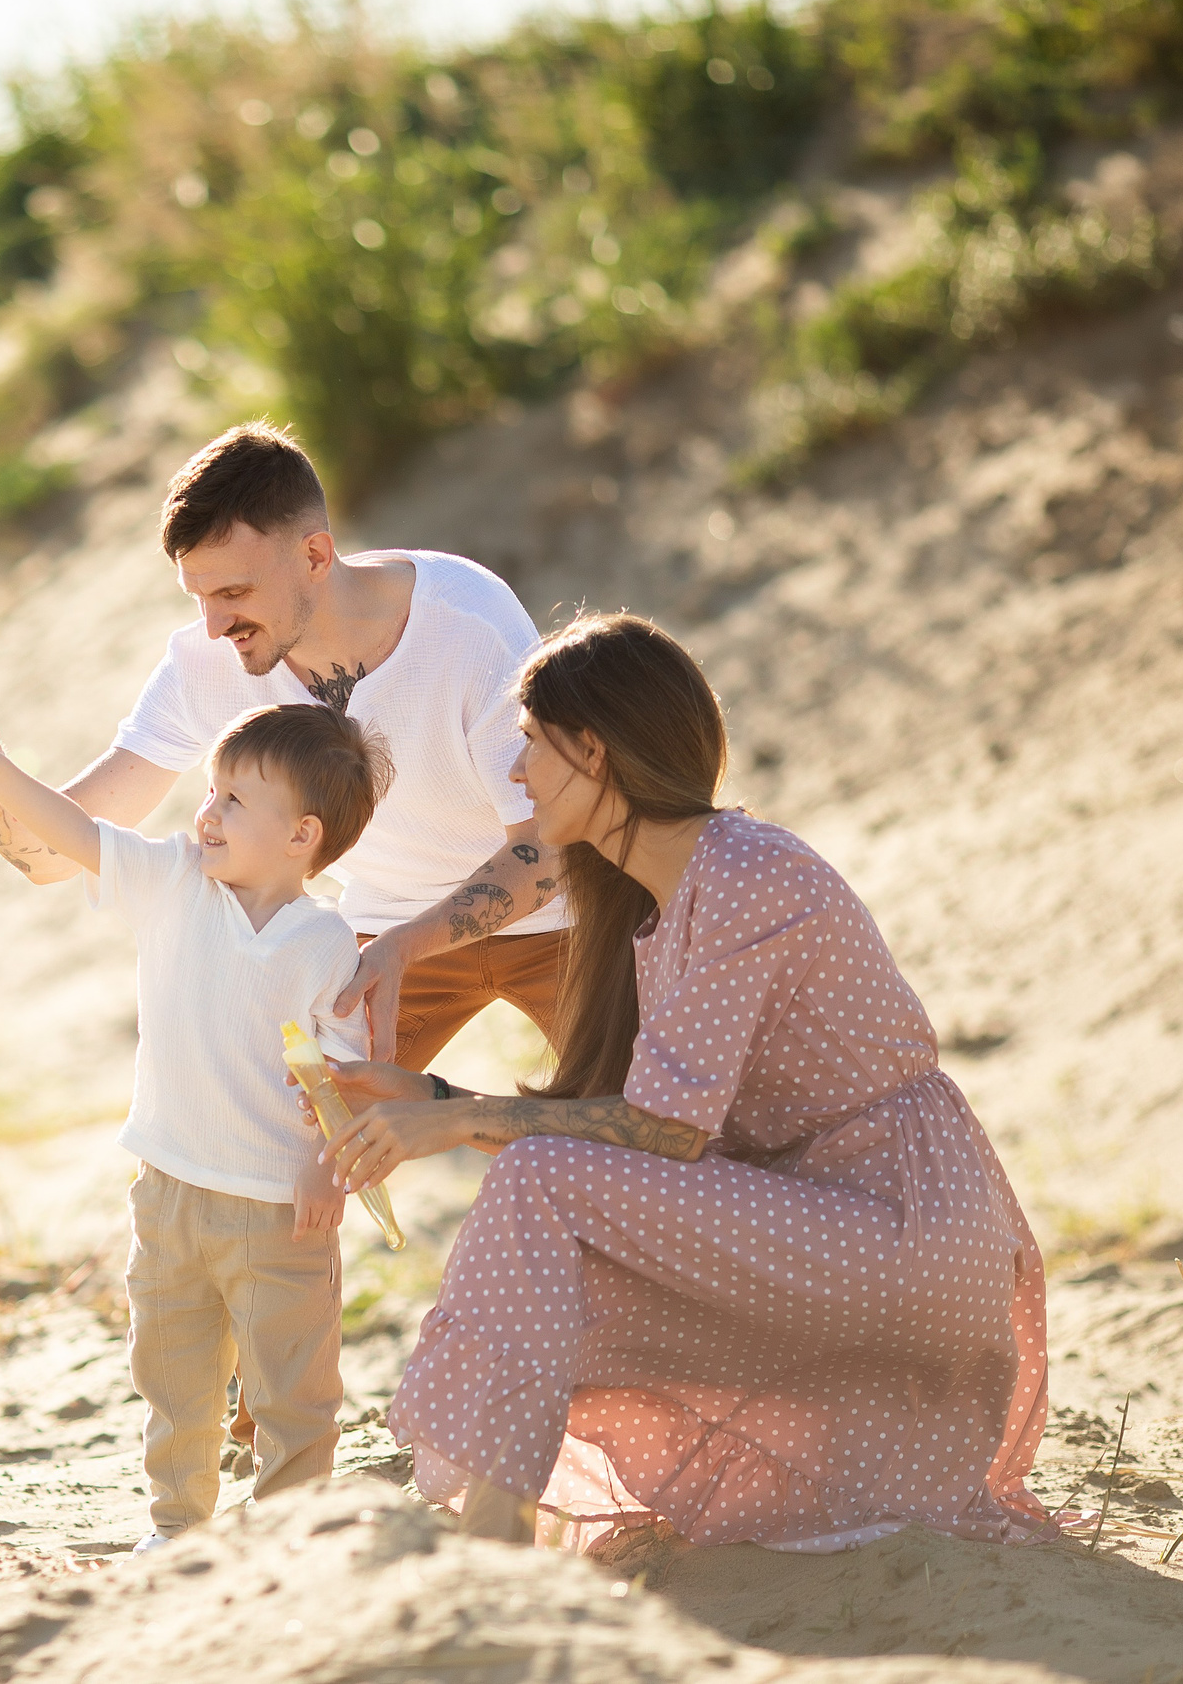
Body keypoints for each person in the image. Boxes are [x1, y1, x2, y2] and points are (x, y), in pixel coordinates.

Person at [310, 613, 1050, 1553]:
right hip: (818, 1216)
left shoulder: (748, 873)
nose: (515, 773)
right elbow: (629, 1130)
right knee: (548, 1228)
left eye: (531, 745)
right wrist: (429, 1098)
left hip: (899, 1227)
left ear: (595, 751)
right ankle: (493, 1527)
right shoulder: (661, 902)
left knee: (537, 1180)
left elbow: (663, 1131)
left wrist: (456, 1119)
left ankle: (491, 1540)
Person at [0, 422, 565, 1071]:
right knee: (295, 1149)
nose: (214, 625)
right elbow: (51, 857)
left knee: (648, 1138)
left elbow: (549, 847)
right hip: (384, 934)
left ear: (315, 555)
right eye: (198, 597)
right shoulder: (207, 662)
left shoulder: (467, 624)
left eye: (233, 593)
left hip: (560, 918)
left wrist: (403, 944)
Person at [0, 690, 389, 1549]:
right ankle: (177, 1527)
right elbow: (72, 831)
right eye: (211, 791)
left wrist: (330, 1165)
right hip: (167, 1190)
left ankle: (287, 1535)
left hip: (280, 1208)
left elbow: (342, 1076)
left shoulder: (326, 942)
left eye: (234, 801)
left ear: (302, 836)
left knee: (292, 1386)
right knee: (174, 1375)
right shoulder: (173, 880)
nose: (206, 813)